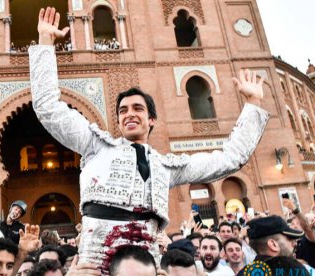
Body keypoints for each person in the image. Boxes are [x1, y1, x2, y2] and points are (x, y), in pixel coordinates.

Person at [29, 6, 269, 273]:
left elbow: (230, 159)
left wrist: (253, 103)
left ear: (151, 119)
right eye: (123, 111)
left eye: (137, 109)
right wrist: (46, 43)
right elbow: (48, 108)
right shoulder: (95, 146)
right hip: (95, 267)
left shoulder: (166, 167)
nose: (129, 114)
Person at [237, 215, 304, 275]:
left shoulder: (243, 273)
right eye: (289, 239)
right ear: (273, 245)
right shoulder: (294, 270)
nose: (294, 243)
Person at [283, 198, 315, 267]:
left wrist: (295, 210)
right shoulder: (287, 242)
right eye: (292, 224)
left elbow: (307, 228)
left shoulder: (308, 239)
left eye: (298, 224)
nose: (295, 226)